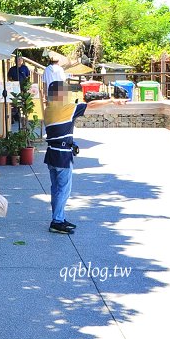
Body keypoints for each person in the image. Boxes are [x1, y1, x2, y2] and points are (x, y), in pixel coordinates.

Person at [43, 84, 124, 234]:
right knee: (63, 190)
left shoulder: (48, 110)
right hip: (62, 155)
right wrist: (111, 101)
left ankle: (59, 217)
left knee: (56, 189)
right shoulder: (66, 109)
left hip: (51, 154)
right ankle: (57, 221)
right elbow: (91, 105)